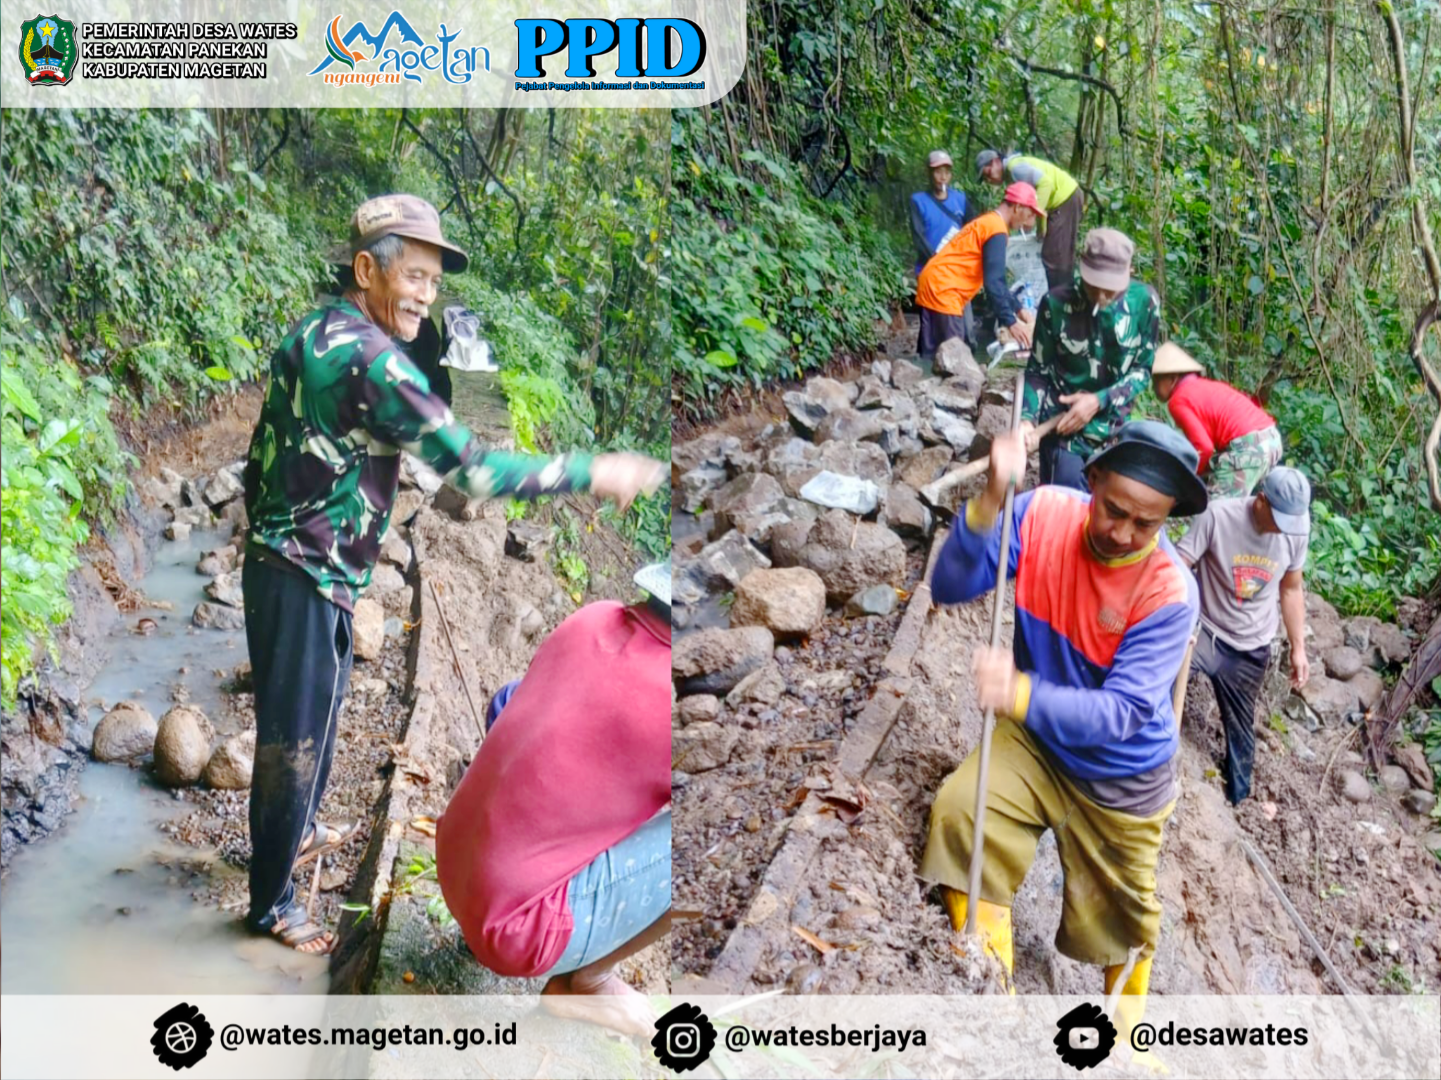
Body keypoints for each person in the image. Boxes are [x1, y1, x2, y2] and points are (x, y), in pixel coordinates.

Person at [240, 194, 663, 953]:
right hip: (303, 569)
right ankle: (271, 905)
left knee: (317, 718)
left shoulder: (314, 328)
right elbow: (472, 471)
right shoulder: (372, 361)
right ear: (366, 269)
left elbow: (260, 451)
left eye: (434, 283)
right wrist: (591, 470)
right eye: (413, 277)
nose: (425, 296)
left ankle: (295, 835)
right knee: (292, 743)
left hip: (295, 561)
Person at [921, 420, 1203, 1055]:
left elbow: (1122, 714)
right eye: (1114, 510)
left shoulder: (1170, 593)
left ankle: (1124, 1045)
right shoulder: (1043, 513)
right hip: (1037, 742)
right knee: (964, 816)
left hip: (1122, 777)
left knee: (1125, 919)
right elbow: (950, 585)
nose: (1123, 533)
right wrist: (992, 499)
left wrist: (1020, 693)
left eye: (1146, 524)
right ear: (1091, 479)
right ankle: (993, 998)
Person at [437, 561, 671, 1037]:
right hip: (515, 933)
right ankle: (589, 981)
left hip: (452, 860)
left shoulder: (593, 616)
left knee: (519, 702)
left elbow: (510, 700)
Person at [1175, 469, 1311, 805]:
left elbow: (1291, 589)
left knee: (1241, 735)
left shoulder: (1295, 529)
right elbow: (1179, 564)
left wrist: (1298, 648)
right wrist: (1175, 620)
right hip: (1205, 630)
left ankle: (1237, 803)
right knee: (1160, 686)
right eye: (1279, 519)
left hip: (1251, 645)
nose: (1284, 529)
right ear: (1261, 500)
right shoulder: (1217, 516)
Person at [1020, 228, 1160, 491]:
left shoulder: (1145, 302)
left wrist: (1099, 400)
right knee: (1063, 502)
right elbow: (1038, 371)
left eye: (1111, 290)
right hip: (1062, 428)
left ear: (1128, 273)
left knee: (1107, 507)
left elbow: (1143, 370)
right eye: (1094, 286)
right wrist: (1026, 419)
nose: (1102, 296)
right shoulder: (1055, 304)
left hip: (1113, 429)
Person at [915, 182, 1043, 361]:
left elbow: (997, 281)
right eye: (1029, 214)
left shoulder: (990, 222)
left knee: (933, 357)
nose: (1028, 221)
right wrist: (1011, 322)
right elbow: (994, 282)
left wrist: (1019, 309)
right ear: (1017, 207)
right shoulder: (996, 230)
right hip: (944, 290)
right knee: (953, 360)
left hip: (934, 281)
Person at [1151, 342, 1283, 500]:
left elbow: (1203, 448)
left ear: (1172, 378)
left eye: (1156, 380)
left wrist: (1188, 478)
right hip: (1271, 439)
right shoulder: (1205, 386)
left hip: (1249, 446)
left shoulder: (1179, 400)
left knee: (1215, 510)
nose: (1153, 386)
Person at [977, 149, 1084, 290]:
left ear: (996, 162)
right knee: (1053, 252)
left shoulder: (1015, 168)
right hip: (1059, 202)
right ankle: (1060, 293)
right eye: (986, 179)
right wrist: (1041, 228)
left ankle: (1061, 296)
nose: (989, 180)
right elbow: (1036, 195)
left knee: (1055, 255)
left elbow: (1045, 184)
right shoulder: (1011, 175)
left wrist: (1032, 215)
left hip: (1066, 197)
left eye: (988, 174)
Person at [909, 150, 975, 354]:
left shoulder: (960, 200)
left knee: (963, 321)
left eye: (946, 172)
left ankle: (966, 358)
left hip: (957, 272)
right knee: (931, 323)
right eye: (937, 172)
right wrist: (938, 261)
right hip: (930, 270)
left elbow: (972, 229)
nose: (942, 177)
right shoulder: (918, 201)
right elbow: (918, 235)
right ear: (930, 174)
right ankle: (928, 361)